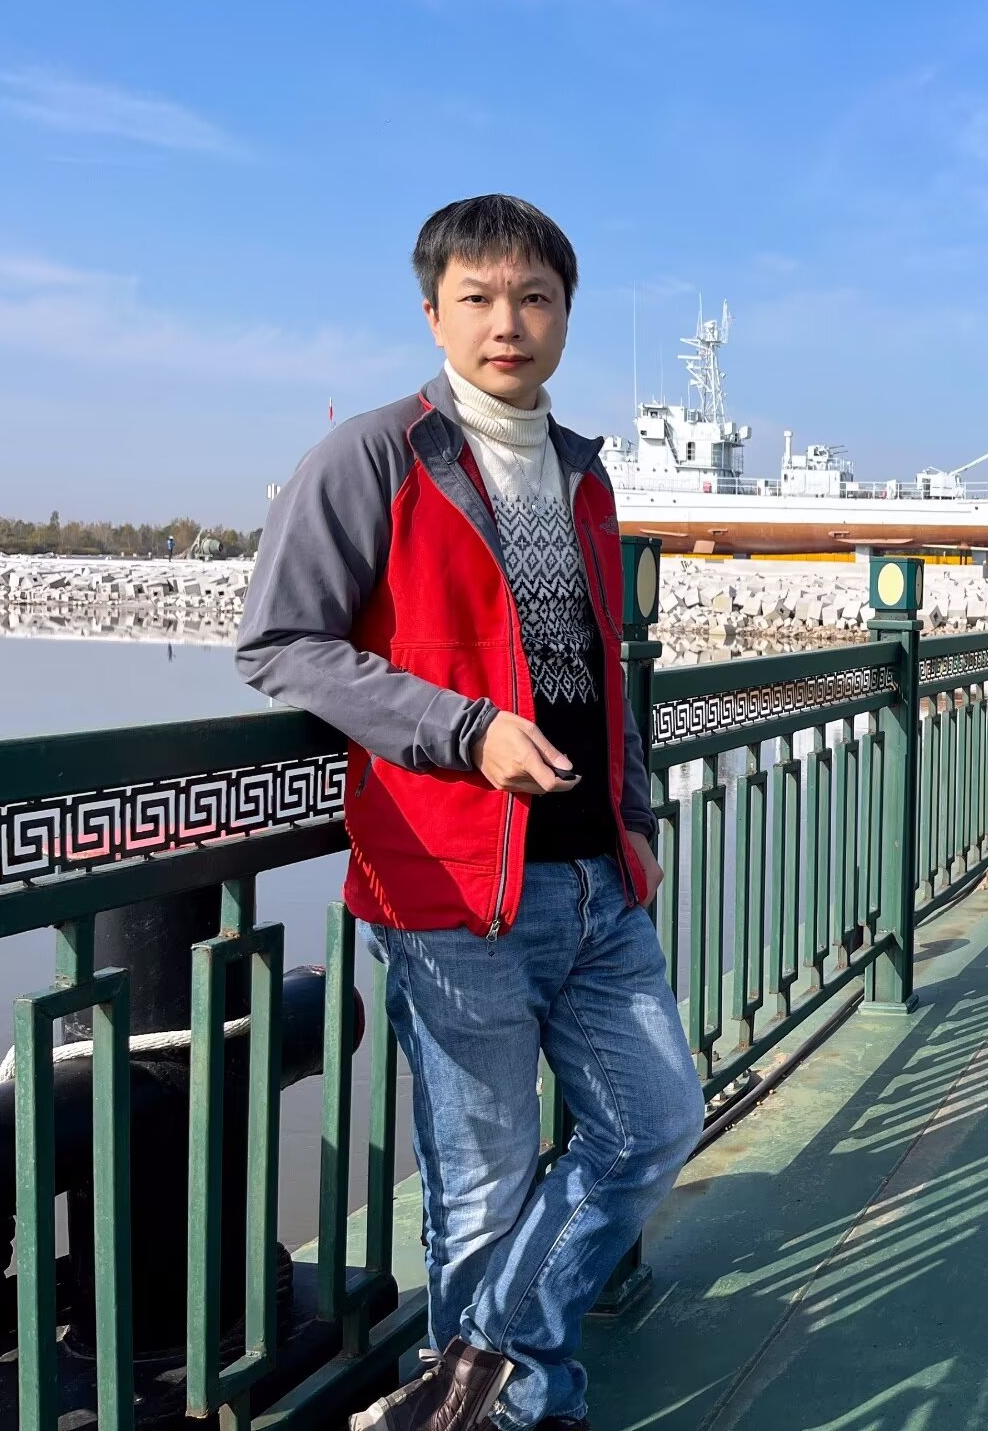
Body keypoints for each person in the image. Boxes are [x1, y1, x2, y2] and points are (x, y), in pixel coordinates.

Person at [237, 195, 703, 1431]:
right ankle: (518, 1406)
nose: (509, 323)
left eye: (535, 298)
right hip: (453, 886)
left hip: (597, 878)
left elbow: (603, 664)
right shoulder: (375, 456)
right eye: (480, 298)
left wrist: (635, 813)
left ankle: (467, 1382)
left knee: (656, 1121)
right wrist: (464, 729)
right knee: (482, 1184)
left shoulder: (583, 472)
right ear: (434, 313)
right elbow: (280, 643)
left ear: (565, 316)